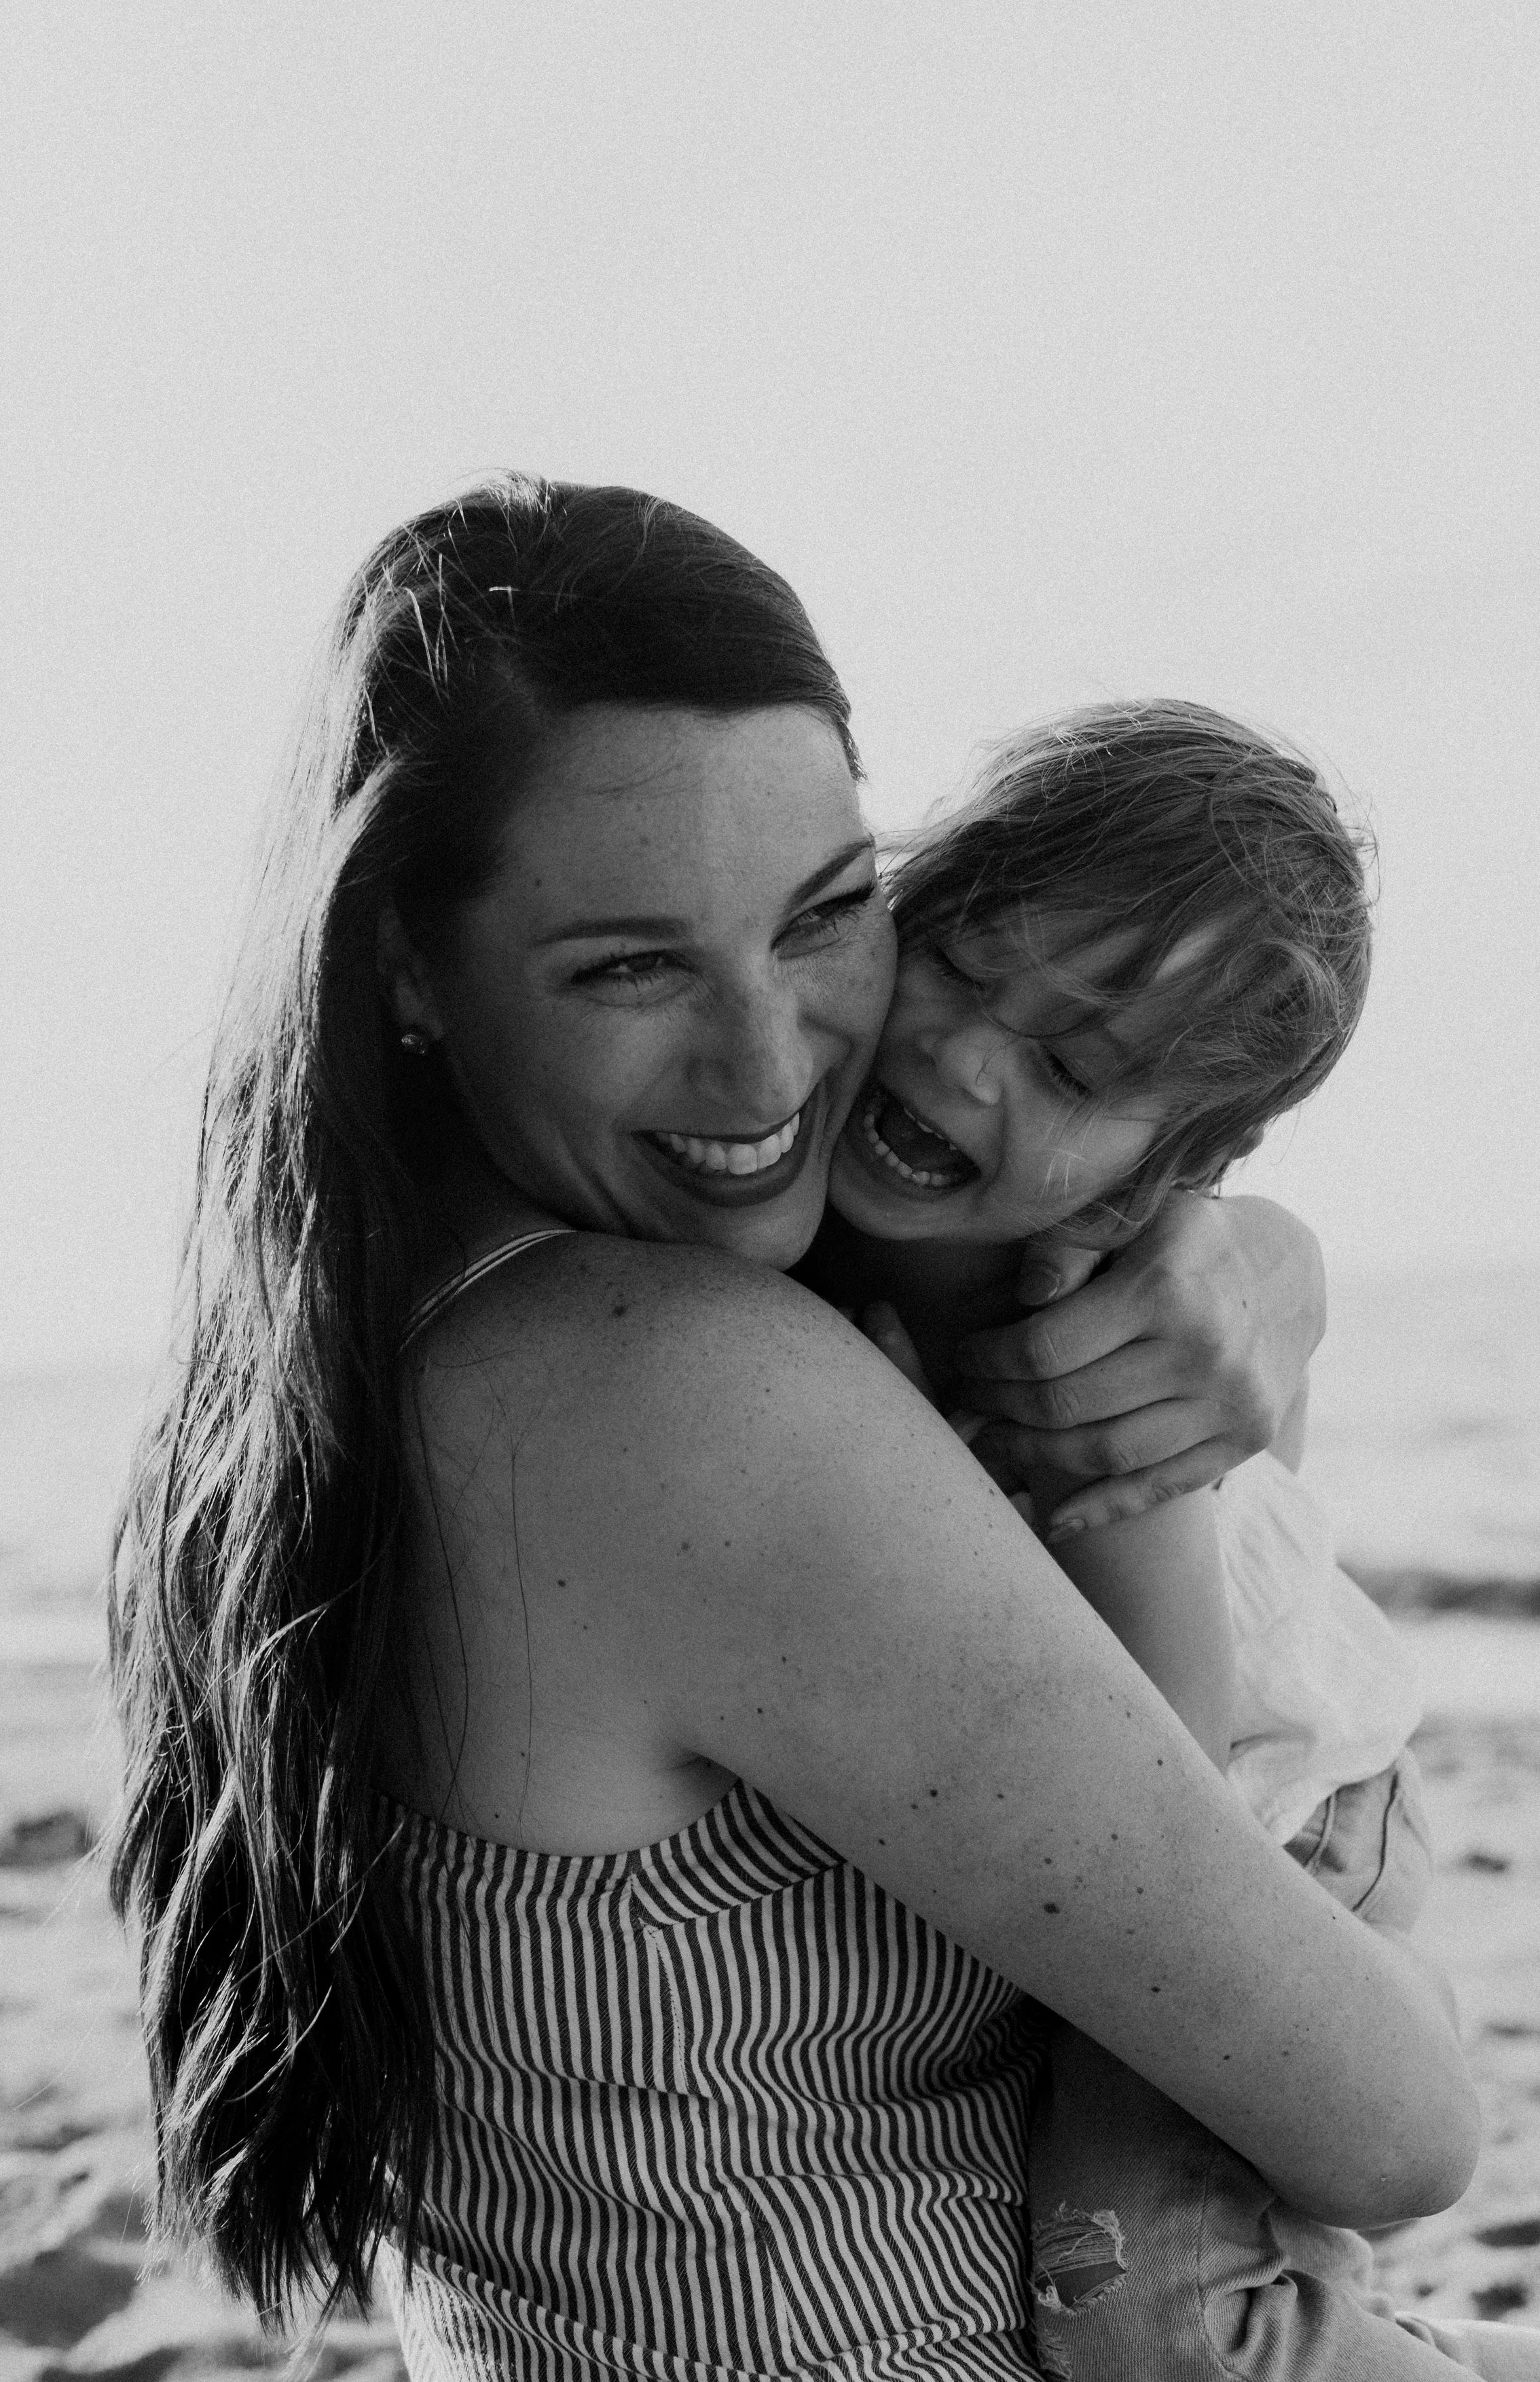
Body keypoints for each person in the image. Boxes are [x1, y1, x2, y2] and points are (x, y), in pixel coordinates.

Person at [108, 479, 1479, 2382]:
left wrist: (1232, 1253)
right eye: (628, 965)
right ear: (406, 966)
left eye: (827, 915)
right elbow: (1396, 2128)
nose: (776, 1068)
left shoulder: (324, 1361)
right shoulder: (690, 1393)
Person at [815, 700, 1540, 2377]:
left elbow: (1173, 1789)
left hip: (1272, 1818)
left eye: (1070, 1066)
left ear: (1172, 1171)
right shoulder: (824, 1230)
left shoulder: (1077, 1371)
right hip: (1193, 1810)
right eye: (957, 963)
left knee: (1147, 2316)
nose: (958, 1056)